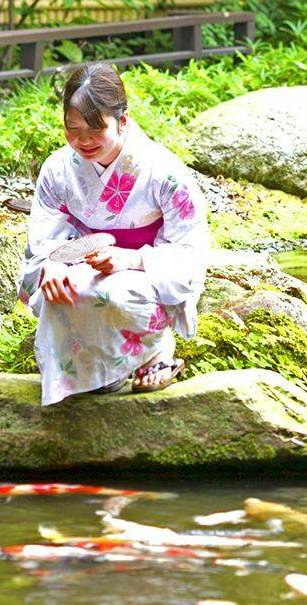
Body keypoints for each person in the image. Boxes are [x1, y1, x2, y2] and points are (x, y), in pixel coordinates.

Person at [19, 63, 208, 405]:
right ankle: (90, 371)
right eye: (73, 129)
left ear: (122, 121)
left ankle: (155, 352)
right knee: (60, 289)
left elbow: (189, 251)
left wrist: (133, 259)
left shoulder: (163, 171)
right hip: (80, 264)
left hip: (142, 269)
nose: (83, 141)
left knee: (120, 292)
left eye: (95, 129)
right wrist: (53, 263)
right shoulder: (58, 170)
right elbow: (45, 239)